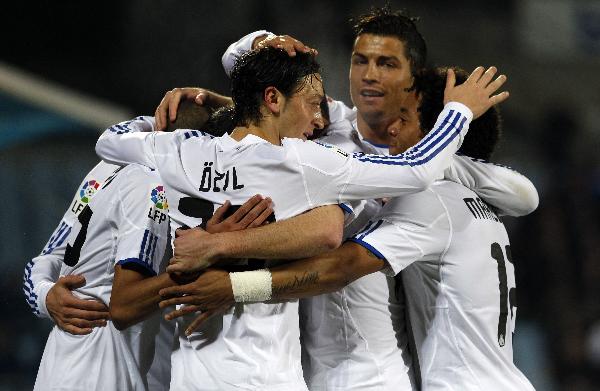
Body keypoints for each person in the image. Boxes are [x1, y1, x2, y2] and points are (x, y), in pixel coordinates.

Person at [95, 45, 508, 390]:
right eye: (312, 105)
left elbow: (109, 141)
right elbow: (417, 169)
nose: (317, 120)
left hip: (191, 375)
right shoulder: (301, 163)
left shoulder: (182, 150)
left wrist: (159, 120)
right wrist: (458, 112)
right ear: (273, 100)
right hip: (266, 376)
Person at [29, 103, 271, 390]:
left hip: (65, 363)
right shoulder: (151, 187)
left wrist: (44, 296)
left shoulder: (111, 165)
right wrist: (207, 253)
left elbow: (49, 257)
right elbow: (123, 306)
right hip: (102, 370)